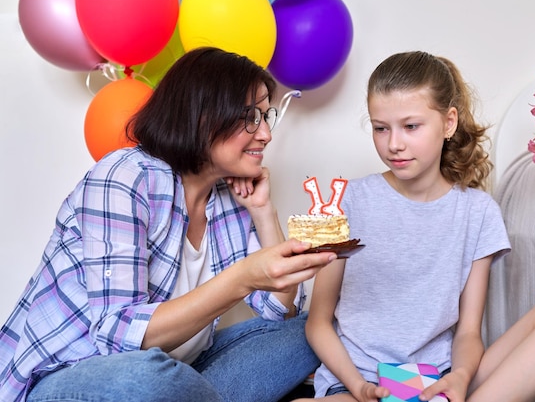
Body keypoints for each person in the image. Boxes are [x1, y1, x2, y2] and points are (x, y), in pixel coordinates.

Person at [0, 47, 338, 402]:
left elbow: (278, 313)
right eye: (252, 116)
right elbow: (117, 334)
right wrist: (241, 278)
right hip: (80, 376)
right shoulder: (126, 176)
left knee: (314, 330)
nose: (266, 133)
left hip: (183, 373)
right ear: (202, 115)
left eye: (266, 116)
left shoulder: (227, 193)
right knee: (151, 377)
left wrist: (263, 211)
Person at [294, 51, 535, 402]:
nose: (394, 144)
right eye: (380, 128)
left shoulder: (478, 213)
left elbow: (467, 333)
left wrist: (460, 378)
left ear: (449, 123)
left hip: (440, 381)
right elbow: (318, 322)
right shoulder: (345, 201)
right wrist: (358, 386)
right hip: (358, 384)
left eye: (411, 126)